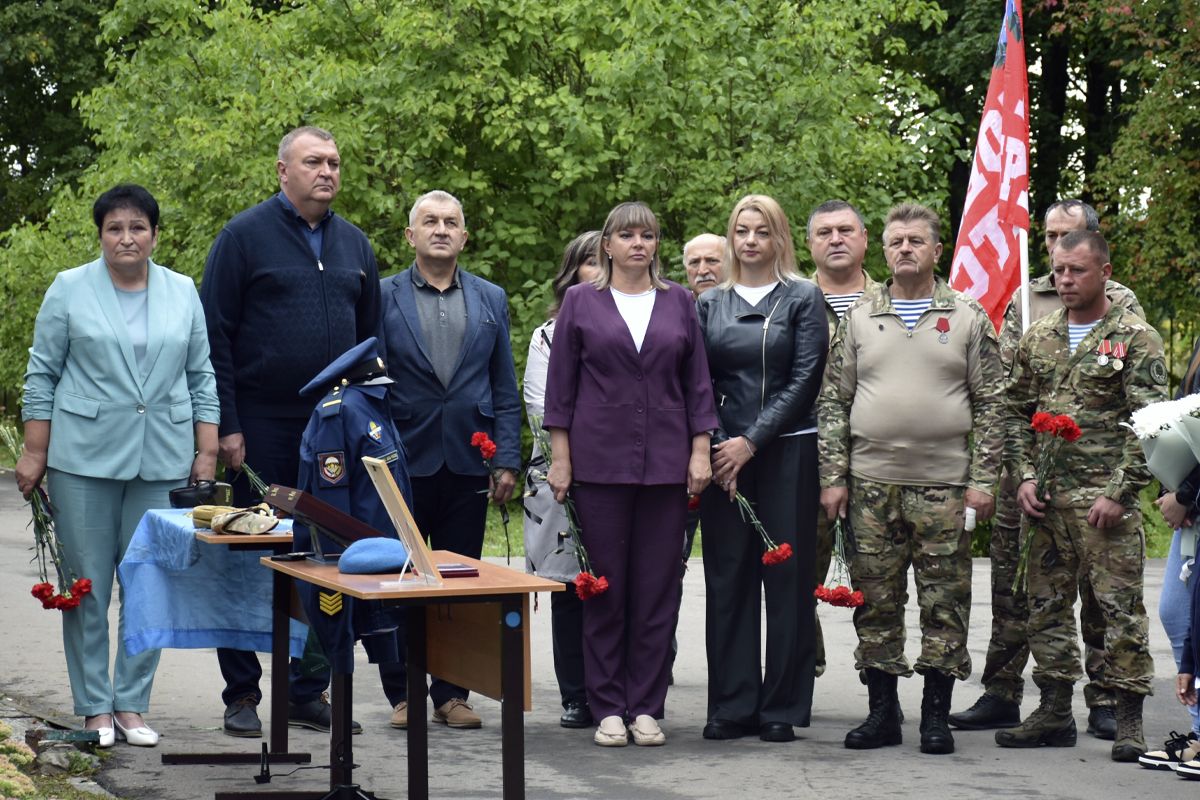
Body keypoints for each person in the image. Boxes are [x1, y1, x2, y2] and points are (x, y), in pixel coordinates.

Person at [16, 184, 220, 748]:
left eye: (138, 227)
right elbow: (42, 375)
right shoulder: (69, 288)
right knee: (87, 586)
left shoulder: (182, 291)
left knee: (148, 582)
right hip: (82, 459)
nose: (126, 237)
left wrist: (205, 451)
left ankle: (131, 705)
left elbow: (201, 376)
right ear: (100, 234)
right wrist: (35, 451)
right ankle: (93, 708)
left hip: (162, 459)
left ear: (155, 234)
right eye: (114, 228)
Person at [200, 125, 382, 737]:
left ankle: (308, 689)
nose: (326, 171)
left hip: (334, 429)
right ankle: (243, 693)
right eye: (313, 162)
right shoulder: (243, 237)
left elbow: (369, 345)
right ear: (283, 171)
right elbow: (214, 338)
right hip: (262, 426)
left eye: (334, 161)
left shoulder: (356, 245)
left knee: (327, 555)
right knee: (254, 555)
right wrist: (227, 425)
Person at [951, 199, 1144, 738]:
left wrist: (1123, 489)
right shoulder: (1031, 312)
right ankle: (1017, 695)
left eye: (1070, 242)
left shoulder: (1125, 314)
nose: (1058, 259)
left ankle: (1111, 701)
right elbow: (1013, 396)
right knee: (1030, 595)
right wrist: (1017, 473)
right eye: (1051, 242)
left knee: (1108, 602)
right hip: (1035, 484)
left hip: (1101, 488)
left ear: (1097, 254)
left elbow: (1143, 414)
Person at [818, 202, 1004, 755]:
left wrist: (985, 480)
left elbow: (992, 403)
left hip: (944, 486)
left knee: (944, 602)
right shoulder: (858, 317)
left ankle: (935, 716)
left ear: (936, 250)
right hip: (871, 483)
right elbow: (834, 400)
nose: (905, 248)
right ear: (884, 248)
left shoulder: (967, 316)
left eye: (916, 241)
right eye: (896, 241)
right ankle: (881, 714)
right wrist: (834, 476)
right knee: (876, 601)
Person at [544, 201, 718, 747]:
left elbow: (697, 385)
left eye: (647, 235)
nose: (637, 244)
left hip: (667, 467)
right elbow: (561, 390)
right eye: (626, 235)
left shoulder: (679, 303)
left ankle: (646, 705)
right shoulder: (581, 301)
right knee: (604, 590)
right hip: (599, 467)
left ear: (656, 245)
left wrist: (699, 452)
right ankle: (608, 708)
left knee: (656, 590)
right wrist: (561, 457)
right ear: (609, 245)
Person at [997, 229, 1166, 761]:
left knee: (1116, 612)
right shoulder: (1038, 336)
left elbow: (1152, 424)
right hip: (1046, 500)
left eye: (1078, 270)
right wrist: (1024, 476)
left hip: (1103, 504)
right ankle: (1052, 710)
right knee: (1044, 608)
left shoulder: (1136, 338)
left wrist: (1119, 491)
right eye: (1059, 270)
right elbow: (1013, 412)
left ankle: (1129, 716)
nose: (1065, 280)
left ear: (1105, 272)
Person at [379, 190, 522, 730]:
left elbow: (503, 387)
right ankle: (402, 693)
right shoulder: (384, 296)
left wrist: (506, 458)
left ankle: (452, 693)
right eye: (429, 221)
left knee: (459, 582)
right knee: (398, 580)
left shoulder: (491, 298)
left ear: (465, 236)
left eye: (451, 222)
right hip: (400, 462)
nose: (441, 229)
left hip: (468, 462)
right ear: (410, 236)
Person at [696, 195, 827, 743]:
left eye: (762, 231)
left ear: (780, 239)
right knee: (728, 578)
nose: (750, 241)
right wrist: (722, 446)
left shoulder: (802, 297)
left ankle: (783, 705)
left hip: (786, 451)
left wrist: (751, 442)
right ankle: (732, 703)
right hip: (722, 456)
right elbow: (696, 381)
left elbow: (805, 380)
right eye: (741, 231)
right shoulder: (709, 303)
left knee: (788, 578)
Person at [292, 337, 413, 677]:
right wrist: (338, 565)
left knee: (366, 633)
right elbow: (334, 500)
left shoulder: (369, 406)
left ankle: (311, 693)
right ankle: (307, 695)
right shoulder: (339, 413)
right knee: (331, 635)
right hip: (350, 555)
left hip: (378, 548)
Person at [522, 230, 603, 729]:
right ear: (573, 275)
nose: (602, 269)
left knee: (621, 586)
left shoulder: (644, 324)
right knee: (572, 587)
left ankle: (619, 686)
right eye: (591, 262)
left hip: (625, 476)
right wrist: (581, 457)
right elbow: (540, 407)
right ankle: (576, 693)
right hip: (563, 476)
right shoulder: (547, 336)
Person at [805, 199, 880, 678]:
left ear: (865, 239)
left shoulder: (892, 301)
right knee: (797, 575)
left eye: (846, 230)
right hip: (803, 456)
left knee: (876, 579)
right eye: (824, 232)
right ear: (809, 244)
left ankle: (879, 683)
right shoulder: (789, 298)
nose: (836, 239)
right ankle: (800, 670)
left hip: (878, 458)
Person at [1141, 340, 1200, 767]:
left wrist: (1187, 493)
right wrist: (1169, 483)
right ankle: (1199, 732)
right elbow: (1186, 417)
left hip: (1194, 497)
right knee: (1178, 612)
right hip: (1190, 503)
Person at [683, 233, 726, 299]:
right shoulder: (677, 307)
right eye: (694, 262)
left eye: (712, 261)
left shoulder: (746, 305)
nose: (702, 271)